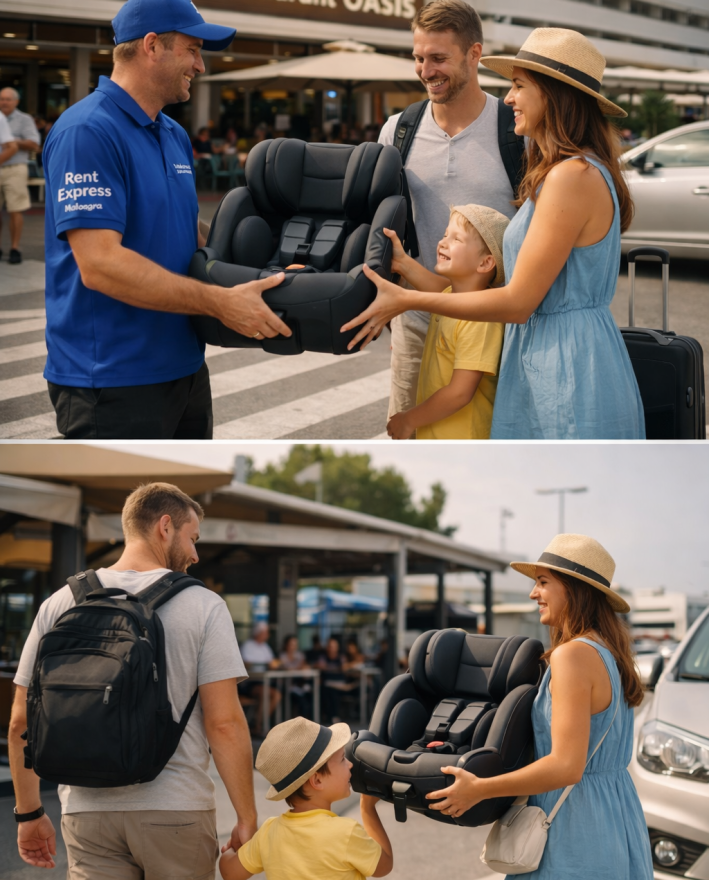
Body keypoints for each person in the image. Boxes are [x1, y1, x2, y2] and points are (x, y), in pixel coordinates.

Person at [344, 28, 646, 440]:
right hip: (551, 356)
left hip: (564, 365)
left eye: (520, 86)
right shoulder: (571, 171)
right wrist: (403, 268)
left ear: (555, 96)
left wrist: (407, 298)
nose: (508, 98)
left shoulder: (571, 177)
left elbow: (519, 301)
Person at [41, 0, 291, 440]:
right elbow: (100, 265)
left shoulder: (172, 133)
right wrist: (221, 302)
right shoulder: (87, 132)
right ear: (153, 46)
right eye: (193, 50)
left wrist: (268, 269)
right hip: (112, 379)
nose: (201, 65)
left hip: (185, 365)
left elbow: (183, 229)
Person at [9, 482, 257, 879]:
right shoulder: (204, 605)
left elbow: (22, 721)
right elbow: (224, 723)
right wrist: (246, 815)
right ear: (164, 526)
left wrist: (30, 813)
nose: (195, 554)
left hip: (86, 813)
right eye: (193, 538)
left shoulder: (59, 602)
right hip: (175, 809)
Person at [424, 533, 653, 880]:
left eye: (543, 583)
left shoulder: (573, 655)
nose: (534, 593)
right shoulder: (608, 654)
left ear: (575, 589)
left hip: (574, 828)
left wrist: (479, 788)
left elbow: (565, 766)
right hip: (615, 816)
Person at [378, 0, 521, 436]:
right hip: (417, 319)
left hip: (493, 328)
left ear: (474, 54)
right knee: (407, 433)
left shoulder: (515, 130)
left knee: (481, 437)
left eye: (438, 58)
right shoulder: (396, 131)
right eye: (419, 58)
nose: (425, 70)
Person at [385, 204, 509, 440]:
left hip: (463, 439)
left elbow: (460, 393)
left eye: (456, 239)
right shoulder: (450, 296)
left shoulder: (481, 321)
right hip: (436, 434)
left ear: (485, 263)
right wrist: (400, 262)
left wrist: (409, 419)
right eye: (444, 235)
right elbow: (434, 289)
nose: (442, 243)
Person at [219, 716, 393, 880]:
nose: (350, 764)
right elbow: (384, 866)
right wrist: (367, 809)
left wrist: (230, 850)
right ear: (317, 780)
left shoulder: (269, 832)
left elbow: (229, 872)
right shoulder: (346, 833)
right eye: (342, 759)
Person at [0, 87, 40, 264]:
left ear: (16, 102)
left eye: (8, 99)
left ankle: (15, 247)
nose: (4, 102)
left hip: (14, 167)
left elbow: (34, 144)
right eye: (1, 99)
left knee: (15, 209)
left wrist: (11, 140)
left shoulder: (24, 119)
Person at [240, 622, 282, 736]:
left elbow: (271, 662)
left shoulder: (265, 647)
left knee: (276, 695)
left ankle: (259, 722)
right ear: (259, 633)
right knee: (265, 693)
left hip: (264, 681)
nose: (267, 635)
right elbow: (246, 664)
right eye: (266, 633)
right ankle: (258, 725)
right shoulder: (247, 645)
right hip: (249, 683)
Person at [279, 634, 312, 719]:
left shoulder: (299, 655)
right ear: (286, 645)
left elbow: (305, 667)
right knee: (301, 701)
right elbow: (285, 668)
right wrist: (298, 667)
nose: (293, 647)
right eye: (291, 644)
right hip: (288, 685)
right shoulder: (282, 656)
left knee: (310, 696)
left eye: (295, 645)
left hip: (300, 684)